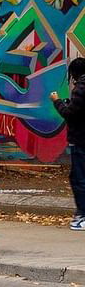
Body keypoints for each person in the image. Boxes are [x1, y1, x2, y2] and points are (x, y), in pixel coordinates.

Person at [53, 57, 85, 231]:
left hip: (80, 139)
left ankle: (82, 215)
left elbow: (70, 113)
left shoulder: (81, 88)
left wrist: (57, 101)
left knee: (78, 178)